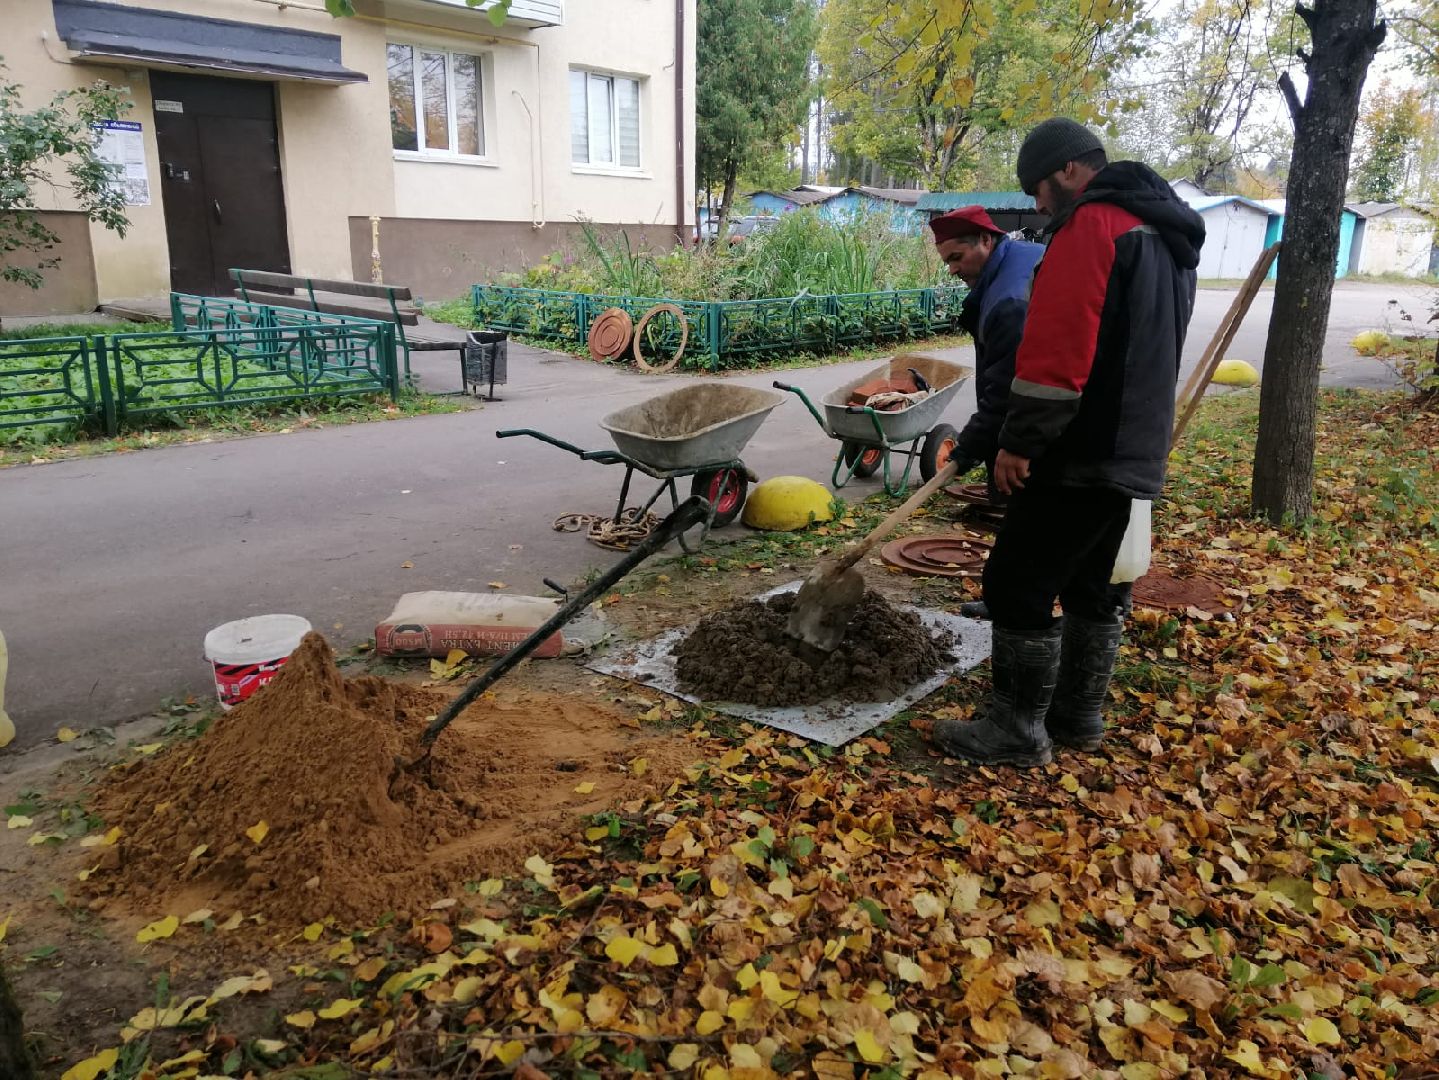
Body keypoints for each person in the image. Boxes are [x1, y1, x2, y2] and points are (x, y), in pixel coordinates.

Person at [932, 117, 1205, 767]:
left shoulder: (1094, 225)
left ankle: (1016, 732)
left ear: (1068, 172)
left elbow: (1058, 349)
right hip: (1136, 447)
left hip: (1079, 449)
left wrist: (1018, 442)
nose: (1037, 205)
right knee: (1097, 584)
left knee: (1015, 583)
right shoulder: (1164, 233)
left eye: (1038, 188)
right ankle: (1077, 717)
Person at [929, 206, 1045, 503]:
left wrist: (967, 450)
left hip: (1034, 439)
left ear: (985, 239)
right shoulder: (1027, 254)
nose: (953, 270)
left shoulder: (1009, 302)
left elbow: (1006, 392)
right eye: (947, 262)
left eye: (957, 257)